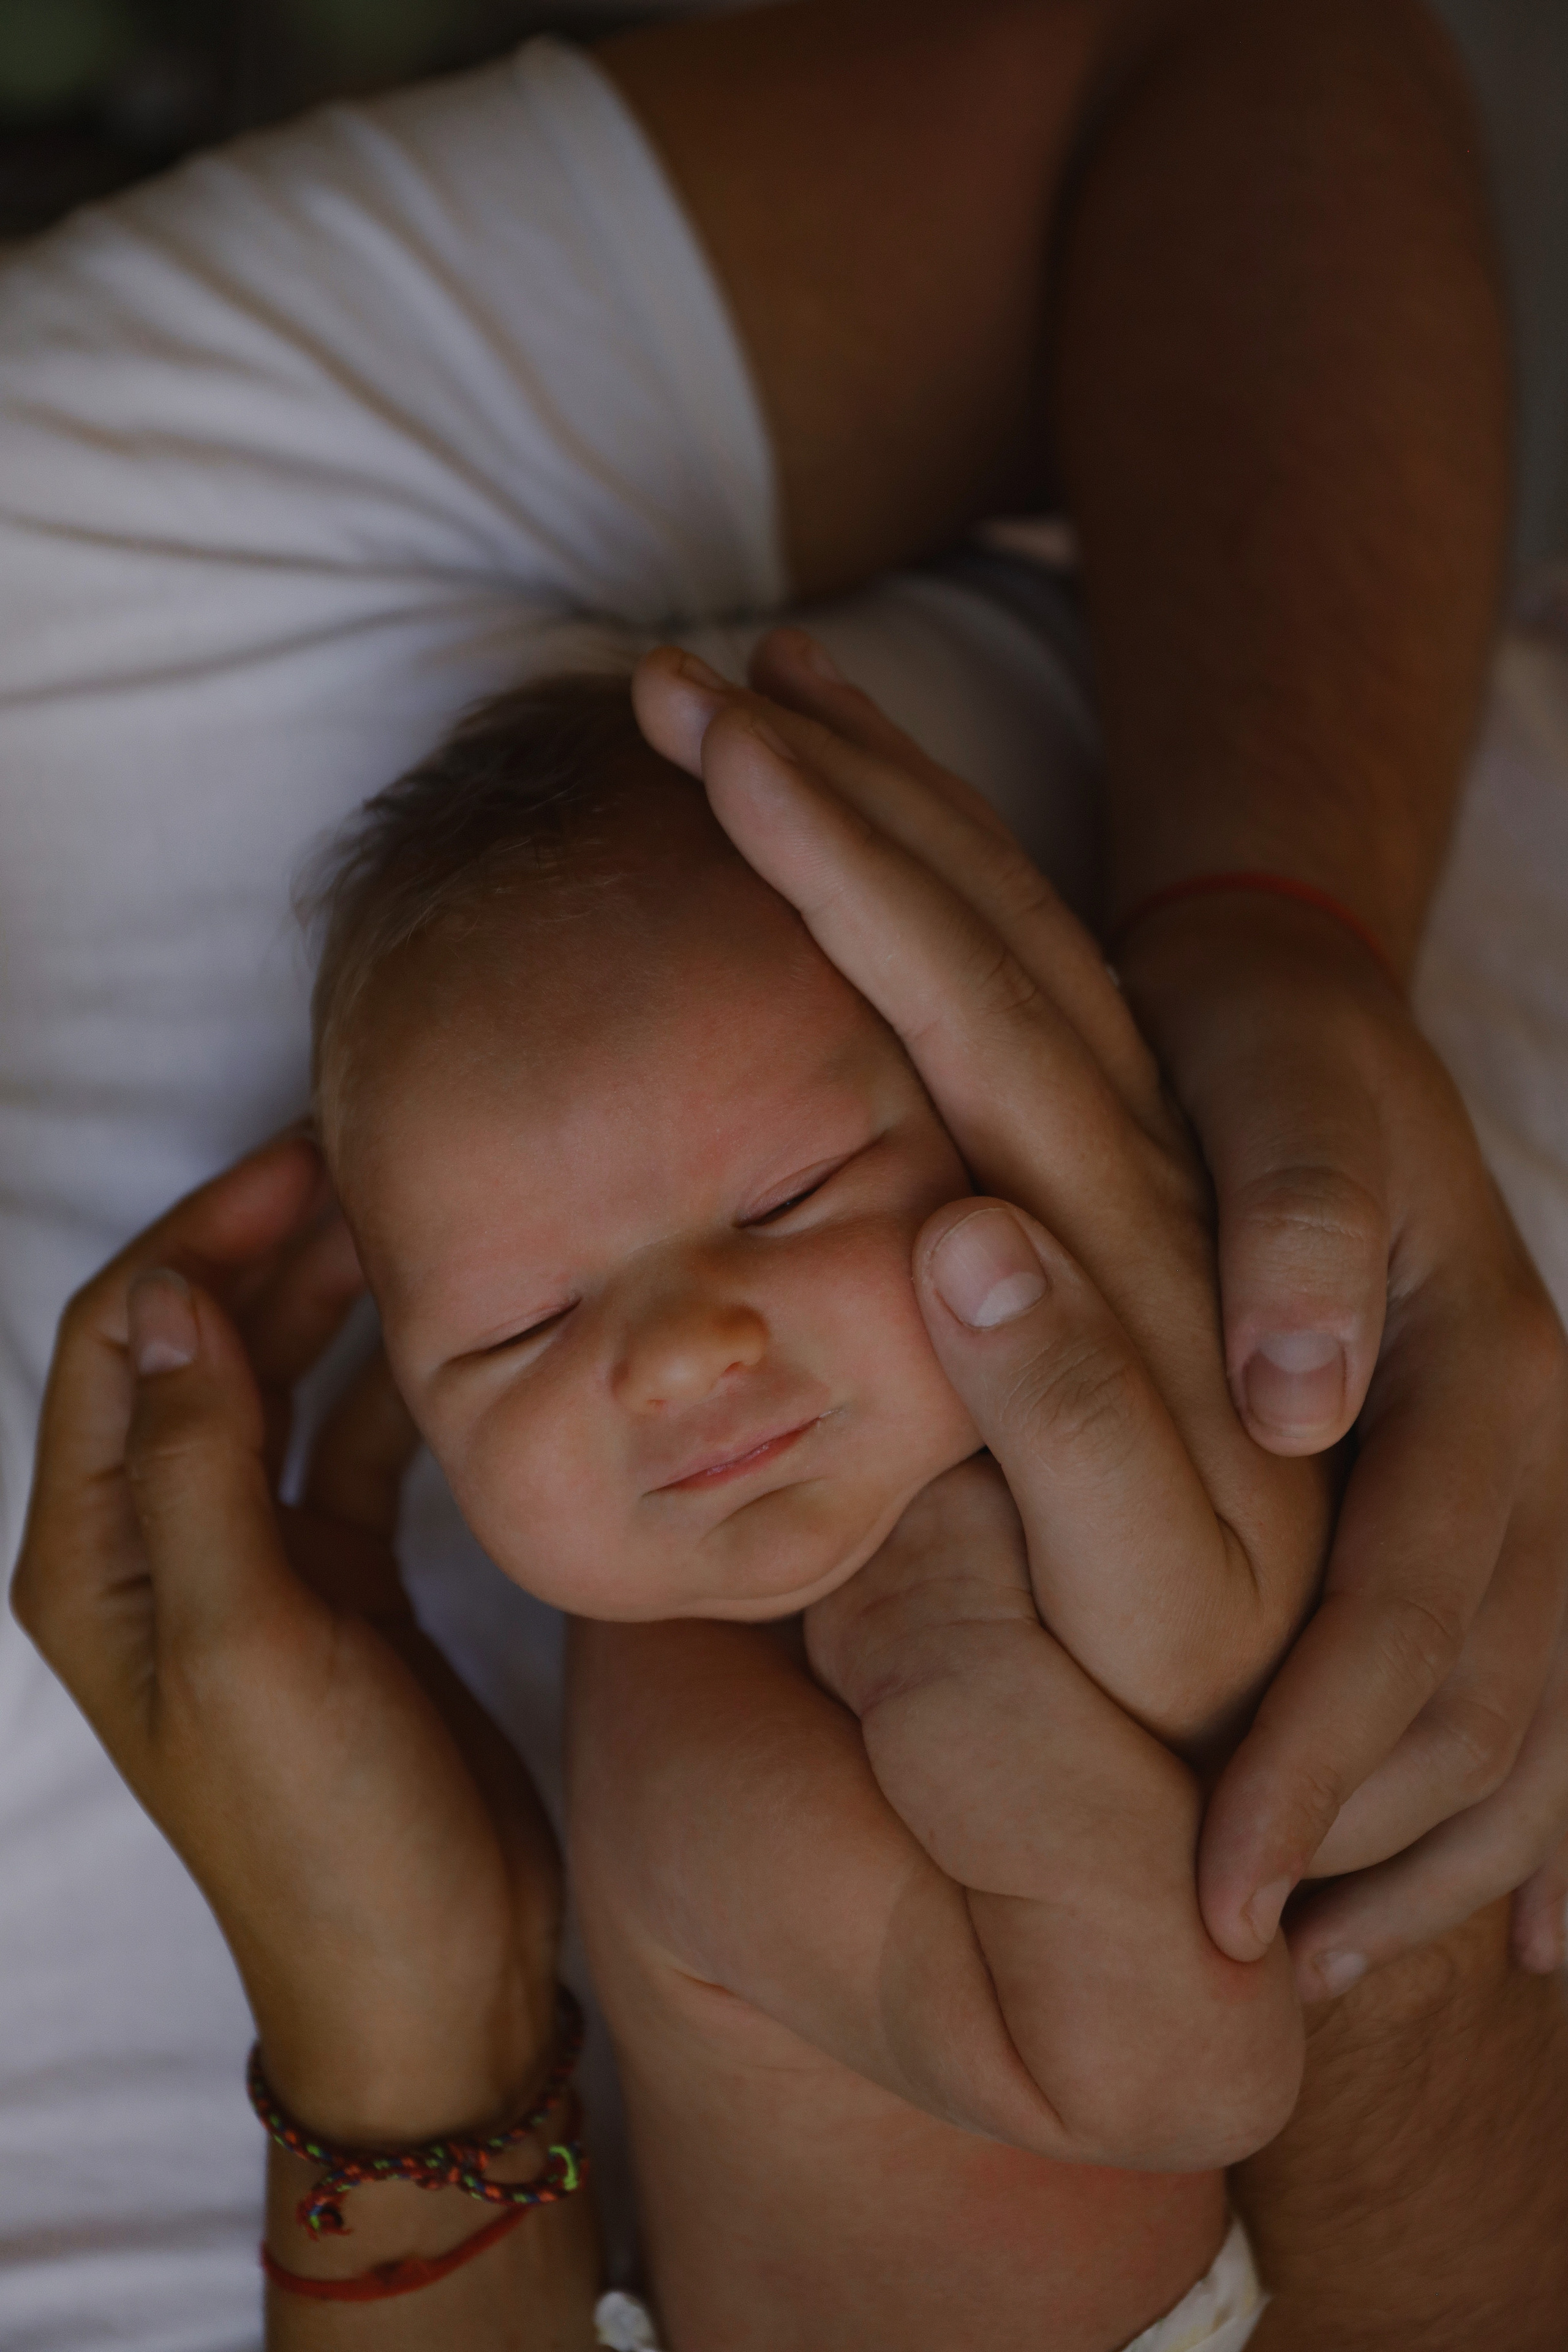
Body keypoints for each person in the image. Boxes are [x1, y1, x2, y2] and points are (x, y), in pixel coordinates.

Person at [2, 0, 1566, 2339]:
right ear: (401, 1408)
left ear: (1006, 1069)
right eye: (520, 1330)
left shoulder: (78, 524)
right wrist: (985, 1682)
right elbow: (1191, 2056)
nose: (672, 1351)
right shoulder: (694, 1743)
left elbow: (1244, 57)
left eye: (795, 1196)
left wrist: (1272, 920)